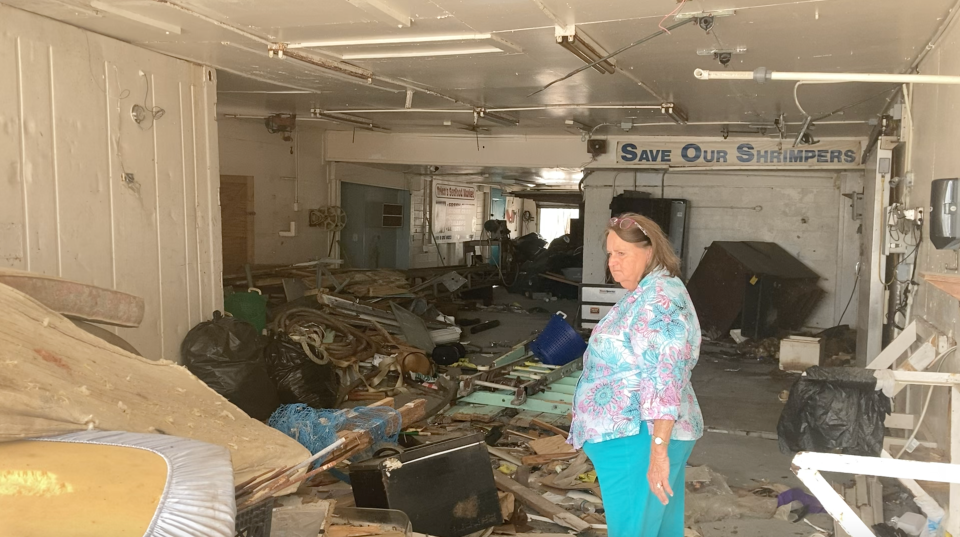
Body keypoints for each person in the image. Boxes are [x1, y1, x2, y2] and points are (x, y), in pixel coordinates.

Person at [568, 212, 703, 537]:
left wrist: (657, 454)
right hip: (638, 436)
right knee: (659, 530)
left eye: (622, 254)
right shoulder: (651, 291)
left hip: (638, 439)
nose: (613, 263)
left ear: (650, 252)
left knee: (634, 530)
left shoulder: (658, 302)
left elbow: (665, 379)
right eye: (610, 254)